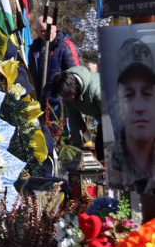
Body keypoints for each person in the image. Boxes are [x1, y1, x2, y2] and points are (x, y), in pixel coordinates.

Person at [107, 39, 155, 193]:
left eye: (147, 94)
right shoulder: (112, 162)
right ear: (118, 103)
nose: (139, 108)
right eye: (129, 95)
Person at [28, 16, 81, 110]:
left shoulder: (66, 47)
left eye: (50, 29)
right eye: (43, 31)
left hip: (61, 104)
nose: (48, 33)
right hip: (40, 102)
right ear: (37, 32)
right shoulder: (34, 49)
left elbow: (78, 75)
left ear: (55, 27)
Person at [51, 66, 102, 159]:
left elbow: (112, 116)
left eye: (66, 96)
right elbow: (74, 119)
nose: (65, 98)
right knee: (100, 150)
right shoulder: (68, 94)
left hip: (119, 117)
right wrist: (76, 147)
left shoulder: (97, 89)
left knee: (106, 149)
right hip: (103, 120)